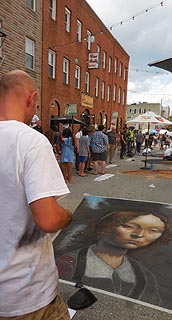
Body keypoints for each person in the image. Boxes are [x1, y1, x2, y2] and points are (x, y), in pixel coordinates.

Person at [0, 70, 72, 319]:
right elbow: (49, 220)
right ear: (31, 98)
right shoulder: (30, 141)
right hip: (26, 293)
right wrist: (68, 216)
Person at [56, 211, 172, 305]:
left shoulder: (144, 275)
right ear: (107, 226)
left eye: (153, 230)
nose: (139, 234)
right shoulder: (68, 263)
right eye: (129, 226)